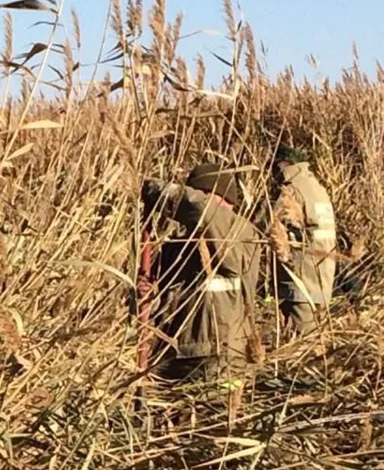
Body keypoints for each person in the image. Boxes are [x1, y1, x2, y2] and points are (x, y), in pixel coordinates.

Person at [142, 163, 262, 388]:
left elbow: (202, 209)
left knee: (215, 419)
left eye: (203, 193)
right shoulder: (179, 245)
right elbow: (161, 298)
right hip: (175, 355)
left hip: (220, 358)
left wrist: (158, 190)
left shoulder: (238, 231)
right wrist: (146, 296)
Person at [263, 145, 337, 337]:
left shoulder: (292, 191)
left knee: (299, 341)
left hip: (300, 281)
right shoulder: (317, 187)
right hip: (322, 278)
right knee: (315, 340)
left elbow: (273, 228)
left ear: (282, 165)